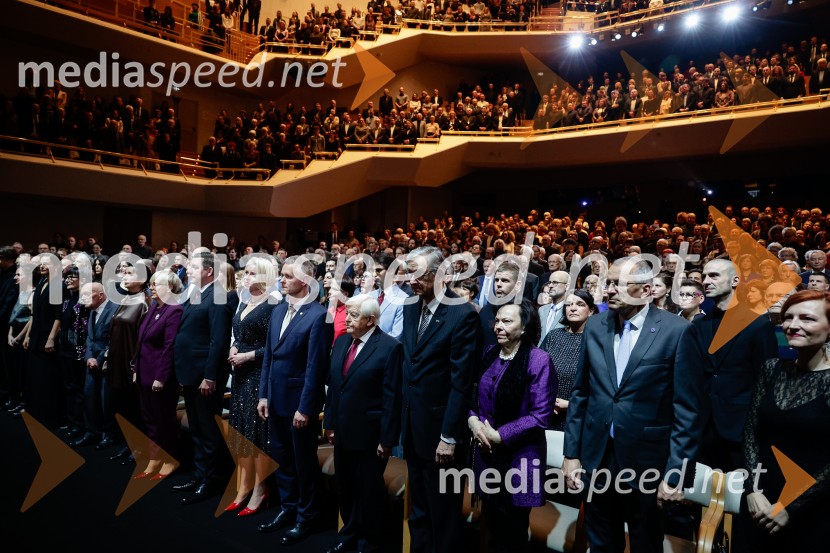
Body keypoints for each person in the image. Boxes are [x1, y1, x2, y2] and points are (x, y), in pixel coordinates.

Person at [563, 258, 703, 553]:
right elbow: (581, 393)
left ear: (647, 289)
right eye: (608, 283)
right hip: (598, 454)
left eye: (618, 284)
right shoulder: (596, 325)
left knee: (645, 542)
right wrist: (571, 454)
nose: (609, 290)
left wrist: (676, 473)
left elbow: (687, 411)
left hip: (647, 459)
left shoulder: (676, 331)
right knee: (600, 540)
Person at [400, 246, 482, 553]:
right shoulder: (411, 306)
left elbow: (462, 383)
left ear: (442, 275)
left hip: (441, 435)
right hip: (412, 427)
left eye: (418, 274)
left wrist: (449, 436)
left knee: (443, 516)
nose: (411, 280)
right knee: (418, 512)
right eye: (408, 273)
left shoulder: (462, 314)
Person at [742, 290, 830, 552]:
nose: (793, 325)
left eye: (807, 318)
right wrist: (753, 490)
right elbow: (750, 433)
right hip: (761, 504)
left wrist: (790, 507)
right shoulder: (772, 369)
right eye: (788, 318)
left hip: (815, 511)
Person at [468, 299, 555, 553]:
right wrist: (473, 421)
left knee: (513, 532)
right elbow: (475, 399)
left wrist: (499, 435)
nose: (498, 326)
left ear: (525, 327)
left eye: (507, 321)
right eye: (497, 320)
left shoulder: (539, 360)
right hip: (487, 455)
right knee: (492, 525)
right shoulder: (490, 353)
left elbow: (541, 415)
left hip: (520, 458)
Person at [256, 257, 331, 545]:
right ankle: (288, 508)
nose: (282, 280)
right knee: (282, 459)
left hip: (299, 403)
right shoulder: (277, 311)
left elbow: (315, 367)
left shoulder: (318, 315)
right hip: (275, 398)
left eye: (288, 276)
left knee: (303, 463)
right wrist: (264, 393)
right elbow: (269, 357)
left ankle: (306, 516)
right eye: (282, 275)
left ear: (306, 282)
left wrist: (306, 407)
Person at [322, 294, 402, 553]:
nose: (346, 320)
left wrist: (387, 439)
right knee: (345, 486)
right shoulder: (344, 340)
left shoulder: (389, 347)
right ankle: (349, 533)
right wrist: (330, 423)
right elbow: (336, 387)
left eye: (353, 315)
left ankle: (369, 541)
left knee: (368, 490)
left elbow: (392, 397)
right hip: (342, 430)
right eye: (347, 314)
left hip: (370, 434)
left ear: (370, 320)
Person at [694, 259, 777, 472]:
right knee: (702, 500)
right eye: (704, 276)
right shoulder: (698, 324)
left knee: (739, 500)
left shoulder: (759, 325)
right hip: (703, 427)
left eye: (714, 276)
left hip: (741, 428)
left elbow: (767, 380)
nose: (706, 281)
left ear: (735, 281)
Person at [171, 252, 237, 504]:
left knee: (208, 430)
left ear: (209, 270)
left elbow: (218, 341)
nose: (188, 269)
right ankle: (199, 474)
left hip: (204, 376)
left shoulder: (219, 295)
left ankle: (212, 480)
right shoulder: (196, 292)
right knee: (196, 429)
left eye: (194, 266)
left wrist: (210, 376)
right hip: (189, 373)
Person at [225, 258, 278, 516]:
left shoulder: (273, 304)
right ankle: (244, 486)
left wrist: (248, 355)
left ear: (265, 275)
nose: (245, 277)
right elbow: (240, 334)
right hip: (240, 373)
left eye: (251, 273)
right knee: (241, 431)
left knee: (257, 433)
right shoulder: (245, 301)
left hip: (257, 373)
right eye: (244, 272)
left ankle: (260, 488)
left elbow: (273, 347)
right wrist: (236, 347)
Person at [133, 270, 184, 480]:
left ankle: (170, 458)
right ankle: (155, 457)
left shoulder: (175, 310)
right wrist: (136, 369)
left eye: (156, 284)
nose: (151, 287)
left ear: (170, 287)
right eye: (151, 284)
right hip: (144, 372)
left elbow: (169, 346)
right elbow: (141, 341)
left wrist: (161, 377)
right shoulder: (154, 307)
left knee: (164, 420)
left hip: (159, 376)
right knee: (149, 418)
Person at [106, 267, 150, 463]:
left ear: (142, 280)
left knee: (135, 407)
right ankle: (129, 443)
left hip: (131, 362)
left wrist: (136, 365)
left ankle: (140, 447)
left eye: (130, 274)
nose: (124, 276)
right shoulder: (124, 299)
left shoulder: (144, 303)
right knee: (122, 405)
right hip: (117, 359)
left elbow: (143, 339)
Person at [540, 289, 597, 430]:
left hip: (578, 418)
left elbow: (598, 386)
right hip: (546, 412)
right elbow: (536, 371)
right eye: (568, 304)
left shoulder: (596, 340)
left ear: (591, 311)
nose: (572, 308)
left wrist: (571, 404)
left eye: (580, 304)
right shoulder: (554, 336)